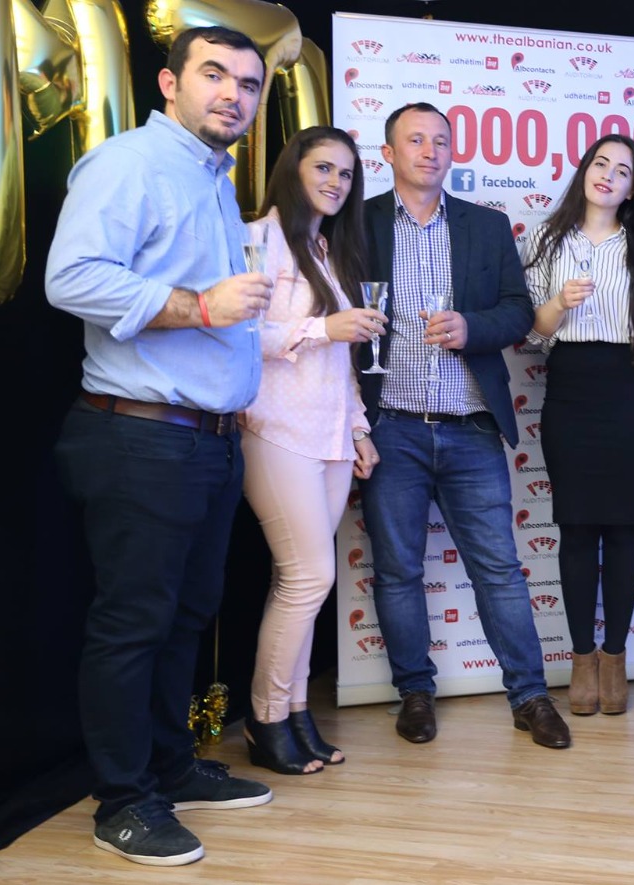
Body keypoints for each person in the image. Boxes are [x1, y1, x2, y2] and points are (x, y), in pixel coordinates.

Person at [47, 26, 274, 866]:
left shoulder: (211, 176)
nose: (234, 95)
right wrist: (201, 306)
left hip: (205, 441)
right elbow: (71, 278)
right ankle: (122, 800)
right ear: (171, 83)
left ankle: (170, 766)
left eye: (248, 84)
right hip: (140, 435)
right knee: (133, 624)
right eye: (215, 75)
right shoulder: (131, 162)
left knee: (185, 617)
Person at [359, 102, 569, 749]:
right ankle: (414, 693)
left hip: (471, 425)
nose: (430, 151)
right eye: (415, 140)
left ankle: (530, 696)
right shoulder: (357, 224)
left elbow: (519, 313)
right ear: (388, 153)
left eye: (441, 141)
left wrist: (471, 327)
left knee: (499, 569)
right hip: (390, 426)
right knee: (397, 570)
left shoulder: (486, 225)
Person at [239, 127, 385, 775]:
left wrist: (357, 428)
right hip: (275, 429)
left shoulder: (328, 249)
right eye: (323, 167)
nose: (336, 182)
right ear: (293, 170)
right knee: (309, 577)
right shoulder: (258, 237)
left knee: (296, 581)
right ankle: (266, 717)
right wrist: (324, 327)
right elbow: (242, 334)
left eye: (346, 173)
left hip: (329, 435)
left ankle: (295, 713)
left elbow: (341, 362)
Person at [522, 134, 634, 716]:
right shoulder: (546, 239)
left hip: (629, 391)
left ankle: (615, 657)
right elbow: (533, 333)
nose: (608, 175)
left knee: (622, 529)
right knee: (575, 530)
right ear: (585, 170)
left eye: (622, 170)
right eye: (600, 163)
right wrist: (559, 303)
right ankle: (581, 657)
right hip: (570, 391)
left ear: (633, 189)